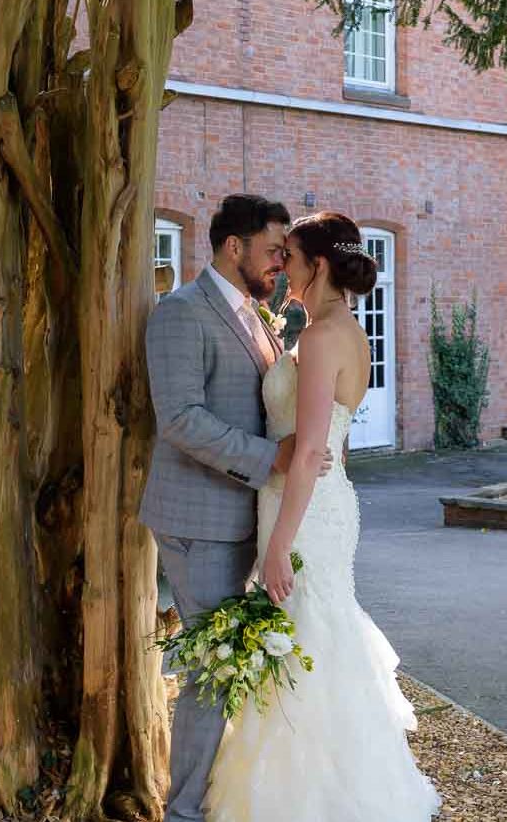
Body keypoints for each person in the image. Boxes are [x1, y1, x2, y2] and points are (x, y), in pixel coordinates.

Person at [204, 211, 442, 822]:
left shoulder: (320, 337)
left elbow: (309, 448)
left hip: (302, 511)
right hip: (320, 502)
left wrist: (278, 544)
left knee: (306, 636)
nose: (282, 266)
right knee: (314, 635)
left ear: (320, 265)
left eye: (291, 256)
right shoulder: (342, 330)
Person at [140, 194, 332, 822]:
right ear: (233, 246)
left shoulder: (258, 314)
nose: (282, 262)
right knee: (209, 673)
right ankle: (184, 813)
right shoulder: (180, 313)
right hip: (199, 521)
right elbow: (180, 420)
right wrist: (270, 458)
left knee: (233, 665)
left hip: (246, 516)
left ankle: (224, 795)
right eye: (274, 250)